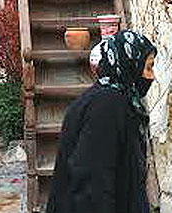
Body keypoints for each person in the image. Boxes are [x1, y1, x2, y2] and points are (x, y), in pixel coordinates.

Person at [46, 29, 157, 213]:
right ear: (129, 66)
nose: (151, 76)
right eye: (148, 67)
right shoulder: (107, 107)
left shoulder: (115, 100)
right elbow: (93, 186)